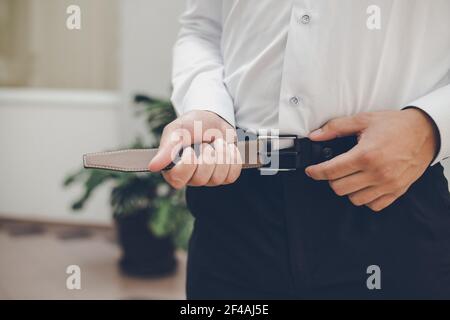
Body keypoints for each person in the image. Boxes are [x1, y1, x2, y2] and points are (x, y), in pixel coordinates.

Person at [149, 0, 450, 299]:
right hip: (235, 199)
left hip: (383, 196)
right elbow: (203, 28)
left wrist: (430, 125)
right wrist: (207, 107)